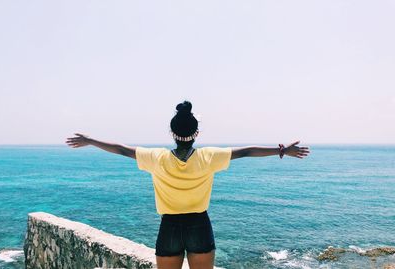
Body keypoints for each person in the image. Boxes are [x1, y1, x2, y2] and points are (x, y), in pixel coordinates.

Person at [65, 100, 310, 269]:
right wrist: (282, 150)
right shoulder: (209, 157)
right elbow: (246, 152)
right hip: (199, 225)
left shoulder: (157, 158)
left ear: (172, 133)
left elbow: (120, 149)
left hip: (169, 226)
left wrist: (89, 140)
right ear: (196, 133)